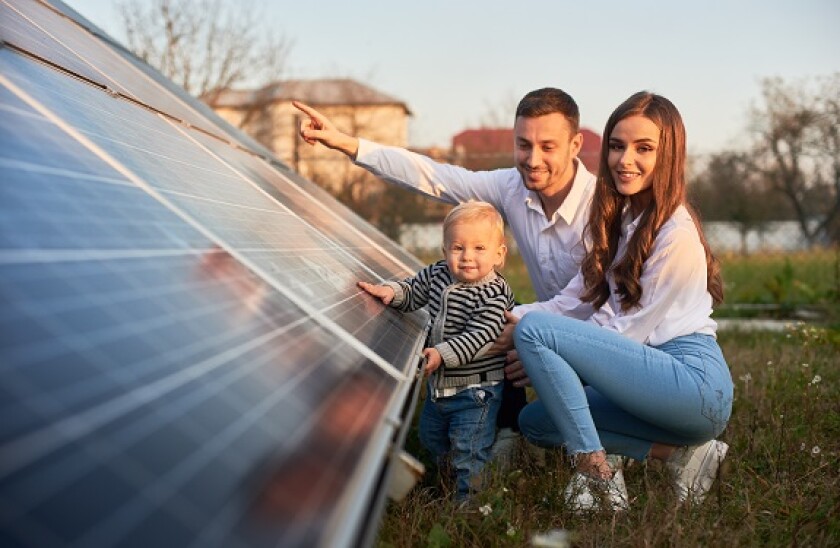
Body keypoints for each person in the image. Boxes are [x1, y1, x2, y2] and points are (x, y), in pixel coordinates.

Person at [294, 88, 597, 460]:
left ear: (575, 144)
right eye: (524, 144)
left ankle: (601, 446)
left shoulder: (603, 207)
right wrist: (346, 143)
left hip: (607, 336)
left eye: (548, 146)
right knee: (495, 311)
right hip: (545, 322)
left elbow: (607, 305)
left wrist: (533, 335)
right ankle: (508, 428)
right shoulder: (511, 187)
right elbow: (434, 176)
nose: (533, 159)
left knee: (514, 321)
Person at [506, 91, 734, 512]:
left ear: (668, 155)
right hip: (647, 377)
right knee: (536, 423)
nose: (624, 159)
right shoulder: (624, 220)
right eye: (616, 145)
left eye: (643, 148)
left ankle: (596, 477)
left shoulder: (675, 234)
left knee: (537, 336)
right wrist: (504, 321)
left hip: (692, 384)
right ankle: (686, 456)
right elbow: (570, 302)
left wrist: (536, 342)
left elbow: (625, 335)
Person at [358, 201, 515, 500]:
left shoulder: (494, 293)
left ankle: (468, 502)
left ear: (499, 253)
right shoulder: (439, 273)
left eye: (479, 248)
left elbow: (481, 335)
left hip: (476, 391)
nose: (467, 257)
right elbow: (414, 290)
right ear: (444, 251)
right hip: (440, 387)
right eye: (458, 248)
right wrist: (392, 292)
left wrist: (442, 353)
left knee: (468, 448)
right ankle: (447, 477)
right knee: (431, 436)